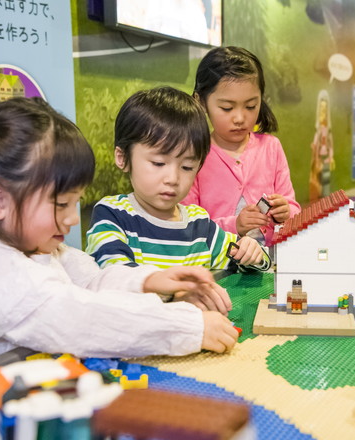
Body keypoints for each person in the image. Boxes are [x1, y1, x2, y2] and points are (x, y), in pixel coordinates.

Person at [0, 97, 238, 377]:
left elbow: (94, 281)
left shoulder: (46, 250)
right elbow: (74, 317)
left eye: (75, 203)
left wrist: (150, 280)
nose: (70, 219)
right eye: (61, 204)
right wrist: (185, 327)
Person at [86, 87, 271, 298]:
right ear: (122, 158)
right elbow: (115, 278)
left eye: (187, 167)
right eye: (158, 163)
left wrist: (252, 252)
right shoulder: (112, 215)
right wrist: (176, 295)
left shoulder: (199, 225)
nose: (173, 179)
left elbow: (245, 262)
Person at [182, 46, 300, 246]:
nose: (239, 118)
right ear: (201, 102)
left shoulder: (271, 147)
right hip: (219, 259)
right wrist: (234, 225)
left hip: (269, 255)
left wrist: (286, 212)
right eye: (227, 108)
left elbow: (294, 209)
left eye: (251, 106)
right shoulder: (194, 154)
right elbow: (188, 224)